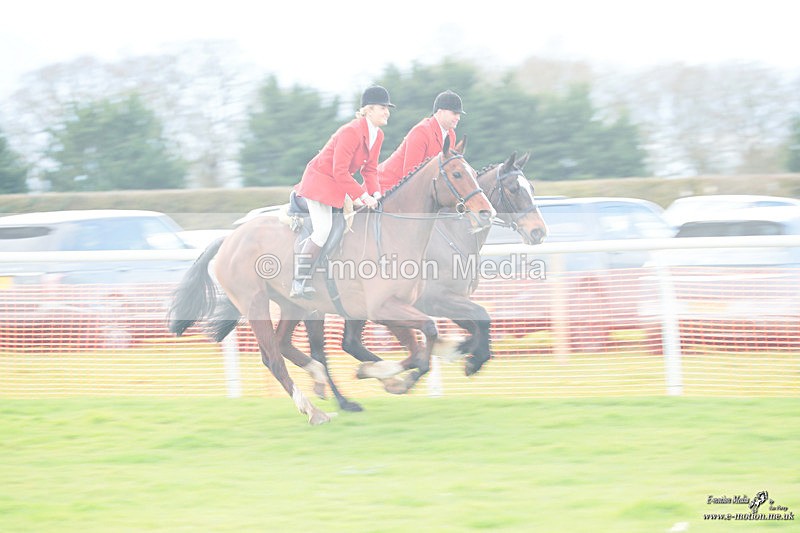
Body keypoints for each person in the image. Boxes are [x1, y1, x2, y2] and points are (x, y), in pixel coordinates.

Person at [290, 85, 394, 298]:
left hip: (338, 184)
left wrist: (375, 194)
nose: (387, 112)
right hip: (319, 182)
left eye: (387, 108)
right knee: (323, 229)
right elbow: (339, 171)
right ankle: (298, 280)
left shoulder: (378, 135)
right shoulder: (351, 131)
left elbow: (370, 170)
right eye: (383, 108)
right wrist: (363, 196)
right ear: (368, 109)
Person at [377, 89, 465, 193]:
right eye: (455, 113)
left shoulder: (451, 135)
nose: (458, 118)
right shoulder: (421, 131)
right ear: (440, 112)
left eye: (459, 114)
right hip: (385, 186)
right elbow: (410, 175)